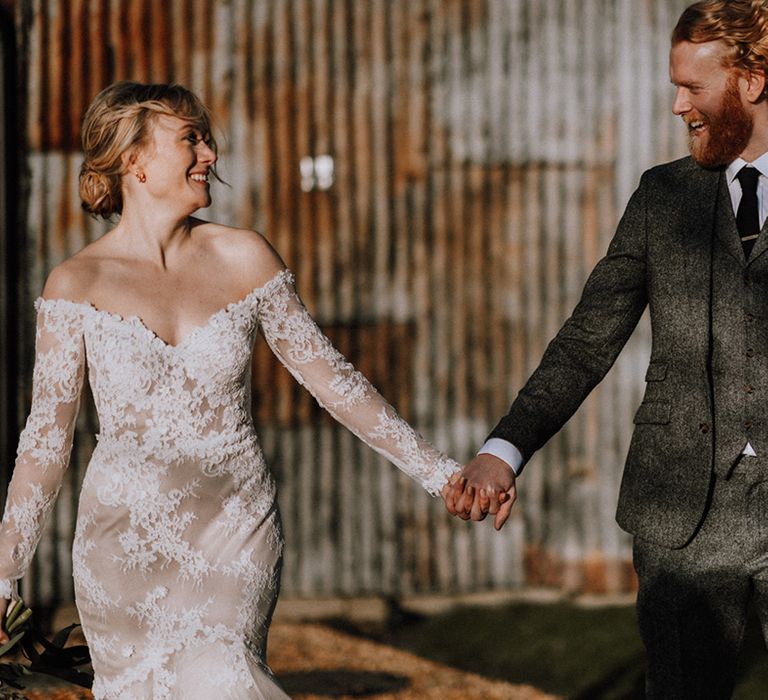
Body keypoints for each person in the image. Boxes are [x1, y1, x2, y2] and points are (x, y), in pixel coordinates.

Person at [0, 81, 461, 699]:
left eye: (206, 138)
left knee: (227, 677)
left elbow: (337, 384)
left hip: (235, 530)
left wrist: (440, 474)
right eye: (190, 138)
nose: (210, 154)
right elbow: (45, 443)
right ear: (133, 159)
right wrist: (3, 576)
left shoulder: (246, 258)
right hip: (121, 547)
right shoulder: (75, 283)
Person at [445, 0, 768, 697]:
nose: (678, 105)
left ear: (752, 80)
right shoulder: (662, 198)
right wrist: (505, 450)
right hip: (684, 516)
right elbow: (587, 340)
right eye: (673, 85)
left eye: (692, 86)